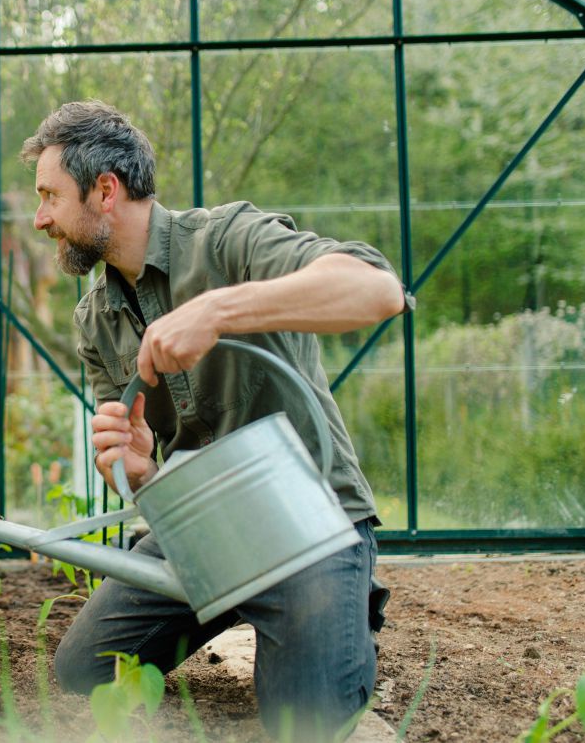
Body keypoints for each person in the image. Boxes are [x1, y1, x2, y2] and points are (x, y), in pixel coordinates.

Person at [21, 100, 411, 741]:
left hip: (307, 525)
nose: (40, 219)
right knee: (83, 668)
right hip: (203, 530)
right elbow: (134, 466)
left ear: (106, 191)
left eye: (49, 197)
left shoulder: (228, 240)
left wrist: (221, 310)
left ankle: (330, 611)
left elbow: (377, 290)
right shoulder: (96, 317)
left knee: (307, 720)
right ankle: (232, 603)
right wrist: (138, 470)